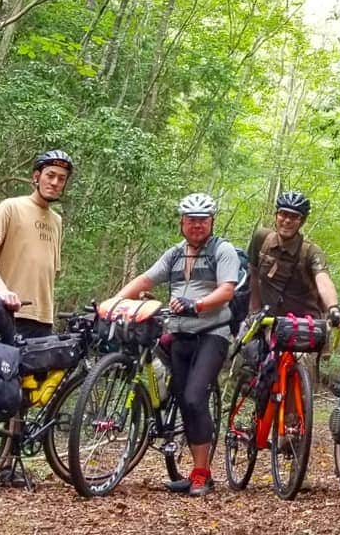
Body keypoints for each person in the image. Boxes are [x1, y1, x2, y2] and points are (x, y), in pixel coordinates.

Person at [111, 192, 238, 497]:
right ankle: (189, 467)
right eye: (191, 220)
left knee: (195, 398)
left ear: (212, 222)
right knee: (181, 399)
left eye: (203, 220)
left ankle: (202, 475)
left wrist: (197, 304)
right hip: (180, 335)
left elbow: (227, 290)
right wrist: (115, 300)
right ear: (182, 222)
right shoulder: (174, 254)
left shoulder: (223, 250)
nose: (197, 226)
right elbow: (145, 280)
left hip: (212, 333)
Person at [0, 148, 73, 340]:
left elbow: (51, 269)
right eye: (50, 175)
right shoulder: (11, 207)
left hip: (42, 319)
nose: (55, 183)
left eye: (61, 179)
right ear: (37, 177)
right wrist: (1, 290)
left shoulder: (57, 221)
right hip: (6, 312)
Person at [247, 190, 340, 329]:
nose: (287, 220)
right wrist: (254, 310)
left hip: (304, 326)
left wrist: (333, 308)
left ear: (302, 221)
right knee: (245, 347)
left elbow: (323, 280)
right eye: (283, 214)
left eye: (294, 217)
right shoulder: (261, 239)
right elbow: (253, 274)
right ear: (276, 216)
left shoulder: (311, 252)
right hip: (266, 321)